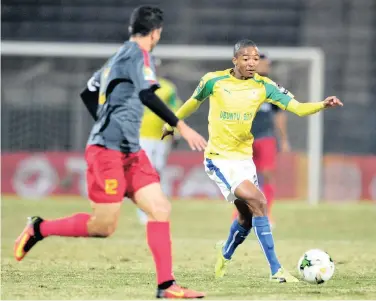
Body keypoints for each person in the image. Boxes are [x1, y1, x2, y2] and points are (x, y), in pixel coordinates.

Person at [14, 6, 206, 299]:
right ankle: (39, 228)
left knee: (160, 209)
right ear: (156, 33)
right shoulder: (138, 56)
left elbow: (88, 92)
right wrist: (181, 125)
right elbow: (145, 94)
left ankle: (166, 286)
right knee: (103, 226)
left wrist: (108, 120)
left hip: (131, 151)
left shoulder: (116, 58)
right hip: (107, 152)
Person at [162, 39, 343, 282]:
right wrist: (171, 123)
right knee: (259, 201)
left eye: (255, 59)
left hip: (244, 160)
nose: (251, 63)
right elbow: (192, 104)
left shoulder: (265, 86)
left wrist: (322, 104)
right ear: (235, 60)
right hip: (219, 158)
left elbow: (297, 108)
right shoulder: (213, 81)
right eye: (246, 58)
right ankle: (276, 271)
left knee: (246, 218)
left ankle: (224, 253)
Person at [231, 53, 290, 225]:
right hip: (245, 138)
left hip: (266, 137)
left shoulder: (273, 88)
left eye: (268, 64)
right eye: (263, 63)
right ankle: (240, 215)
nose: (266, 67)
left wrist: (284, 139)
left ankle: (266, 214)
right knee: (243, 178)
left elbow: (279, 115)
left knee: (268, 175)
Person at [137, 61, 182, 225]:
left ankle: (155, 208)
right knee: (146, 172)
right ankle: (144, 211)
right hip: (142, 136)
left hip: (162, 137)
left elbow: (175, 111)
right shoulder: (138, 86)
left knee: (158, 172)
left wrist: (175, 133)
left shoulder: (168, 88)